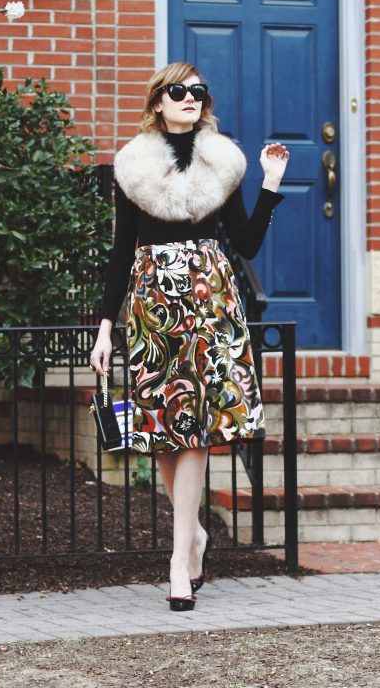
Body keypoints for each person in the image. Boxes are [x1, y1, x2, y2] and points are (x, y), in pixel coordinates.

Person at [90, 62, 289, 611]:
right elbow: (120, 253)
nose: (190, 99)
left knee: (196, 427)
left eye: (198, 92)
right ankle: (195, 533)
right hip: (154, 304)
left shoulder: (223, 161)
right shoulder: (131, 166)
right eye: (178, 92)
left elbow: (245, 244)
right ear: (157, 102)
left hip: (209, 302)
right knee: (158, 427)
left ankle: (180, 560)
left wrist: (270, 186)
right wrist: (106, 329)